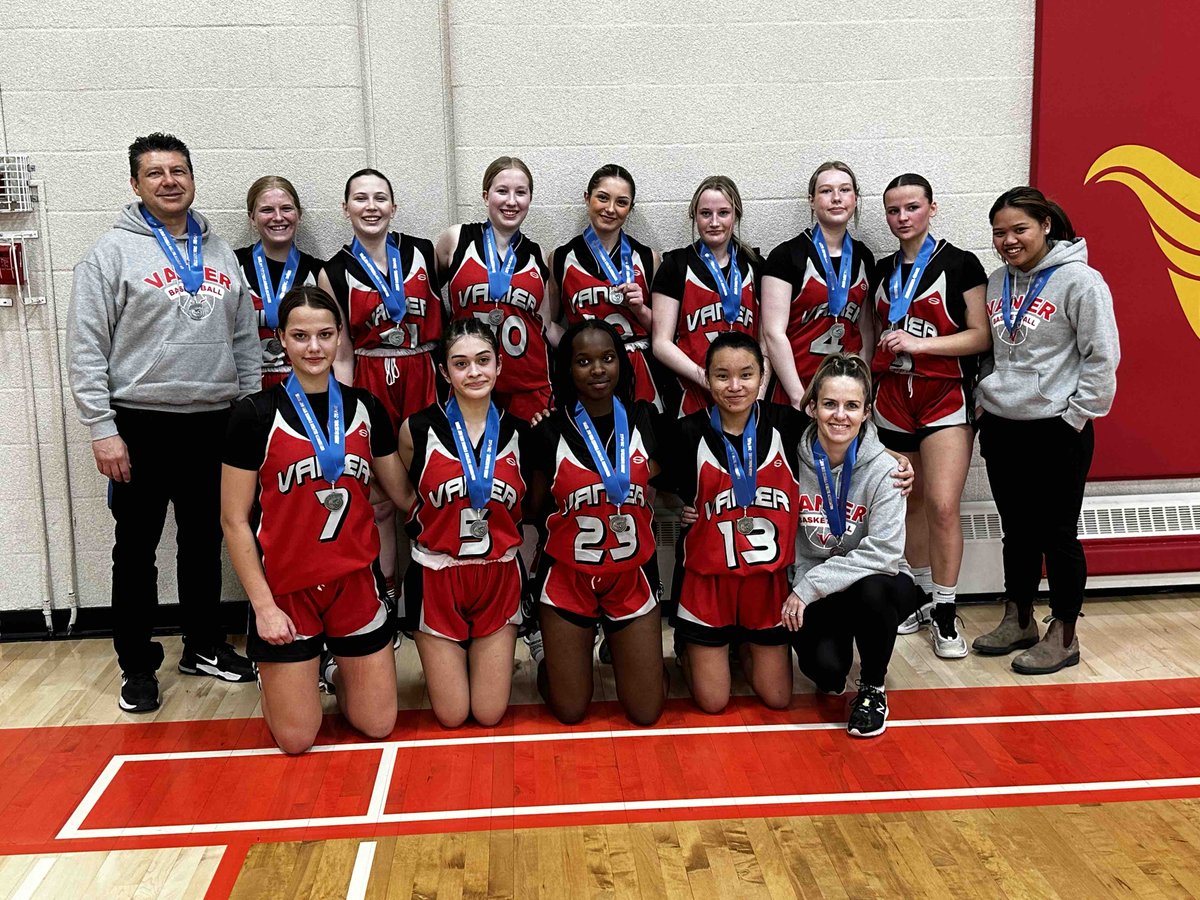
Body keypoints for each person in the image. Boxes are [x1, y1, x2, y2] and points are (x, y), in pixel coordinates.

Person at [67, 132, 259, 714]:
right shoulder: (110, 254)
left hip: (215, 422)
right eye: (155, 173)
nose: (169, 180)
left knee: (205, 542)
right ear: (135, 183)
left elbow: (245, 340)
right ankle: (136, 664)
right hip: (141, 423)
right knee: (137, 547)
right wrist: (102, 427)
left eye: (178, 170)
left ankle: (202, 645)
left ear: (193, 177)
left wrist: (249, 415)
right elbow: (85, 349)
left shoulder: (220, 250)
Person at [221, 286, 407, 754]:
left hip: (354, 584)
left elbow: (403, 494)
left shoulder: (366, 407)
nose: (314, 347)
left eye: (325, 334)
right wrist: (263, 608)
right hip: (287, 590)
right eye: (300, 335)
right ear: (281, 338)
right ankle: (286, 674)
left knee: (379, 724)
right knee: (297, 740)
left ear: (340, 336)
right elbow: (233, 521)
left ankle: (330, 667)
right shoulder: (253, 415)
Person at [973, 187, 1119, 674]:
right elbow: (993, 351)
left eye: (1019, 230)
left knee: (1057, 534)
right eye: (999, 233)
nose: (1008, 241)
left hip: (1058, 428)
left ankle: (1064, 632)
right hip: (1003, 425)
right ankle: (1018, 617)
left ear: (1046, 226)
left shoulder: (1081, 281)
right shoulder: (998, 282)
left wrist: (1076, 416)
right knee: (1016, 532)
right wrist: (984, 400)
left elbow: (1103, 356)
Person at [524, 320, 668, 725]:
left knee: (646, 711)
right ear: (567, 369)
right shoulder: (548, 430)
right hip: (567, 578)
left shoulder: (645, 418)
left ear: (622, 362)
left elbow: (663, 478)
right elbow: (533, 509)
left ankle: (635, 656)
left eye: (607, 358)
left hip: (631, 574)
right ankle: (546, 655)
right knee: (570, 710)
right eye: (583, 361)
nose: (598, 369)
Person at [870, 174, 990, 658]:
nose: (903, 218)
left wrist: (920, 345)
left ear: (932, 208)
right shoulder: (880, 270)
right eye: (894, 210)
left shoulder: (961, 263)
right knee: (907, 504)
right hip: (894, 396)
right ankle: (919, 596)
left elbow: (980, 335)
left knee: (942, 504)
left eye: (912, 207)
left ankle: (945, 610)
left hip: (944, 394)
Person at [784, 353, 926, 738]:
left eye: (851, 405)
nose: (839, 415)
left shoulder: (885, 470)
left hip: (870, 584)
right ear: (812, 407)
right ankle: (841, 644)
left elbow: (883, 553)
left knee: (876, 586)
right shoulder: (788, 460)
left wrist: (808, 587)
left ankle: (873, 688)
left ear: (866, 413)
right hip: (815, 584)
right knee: (828, 676)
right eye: (829, 403)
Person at [320, 168, 444, 604]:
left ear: (394, 206)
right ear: (346, 208)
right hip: (371, 379)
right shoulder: (332, 272)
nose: (371, 207)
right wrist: (344, 409)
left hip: (424, 371)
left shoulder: (425, 252)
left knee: (434, 483)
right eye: (360, 198)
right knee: (379, 498)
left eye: (379, 198)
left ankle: (435, 588)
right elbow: (342, 351)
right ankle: (385, 594)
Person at [398, 318, 528, 727]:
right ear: (444, 372)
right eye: (461, 363)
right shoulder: (415, 430)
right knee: (453, 716)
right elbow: (406, 498)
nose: (474, 372)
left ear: (499, 366)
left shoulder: (522, 432)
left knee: (489, 714)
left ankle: (511, 647)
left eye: (483, 361)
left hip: (498, 575)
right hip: (437, 576)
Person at [667, 332, 799, 713]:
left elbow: (844, 440)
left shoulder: (787, 425)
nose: (735, 386)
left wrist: (892, 456)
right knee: (713, 703)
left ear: (763, 376)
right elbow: (644, 475)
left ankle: (741, 642)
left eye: (747, 374)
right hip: (707, 583)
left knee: (777, 699)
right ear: (706, 378)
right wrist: (681, 505)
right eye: (722, 375)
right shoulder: (686, 432)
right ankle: (690, 649)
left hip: (767, 582)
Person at [436, 156, 556, 422]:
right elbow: (427, 296)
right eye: (502, 191)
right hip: (470, 381)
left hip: (527, 387)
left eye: (520, 193)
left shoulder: (538, 255)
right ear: (486, 195)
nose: (511, 201)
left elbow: (545, 325)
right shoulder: (456, 239)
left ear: (530, 199)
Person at [549, 164, 670, 411]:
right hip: (587, 370)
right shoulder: (560, 258)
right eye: (603, 198)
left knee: (642, 445)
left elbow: (663, 333)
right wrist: (575, 349)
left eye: (622, 202)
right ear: (587, 198)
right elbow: (548, 324)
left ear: (630, 209)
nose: (611, 209)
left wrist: (639, 309)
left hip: (639, 366)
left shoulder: (649, 258)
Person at [651, 175, 767, 417]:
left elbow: (766, 339)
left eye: (723, 213)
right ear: (695, 216)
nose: (714, 222)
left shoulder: (756, 266)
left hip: (745, 394)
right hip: (692, 393)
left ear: (736, 215)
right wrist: (707, 379)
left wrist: (760, 391)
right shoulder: (675, 265)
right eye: (706, 213)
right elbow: (661, 343)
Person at [762, 161, 876, 408]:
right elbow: (773, 333)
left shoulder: (864, 256)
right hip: (796, 389)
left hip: (845, 394)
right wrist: (798, 396)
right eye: (826, 191)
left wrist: (862, 384)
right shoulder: (785, 255)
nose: (836, 198)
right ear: (811, 200)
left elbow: (866, 330)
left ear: (856, 198)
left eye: (845, 190)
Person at [234, 176, 324, 389]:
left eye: (286, 208)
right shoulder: (232, 266)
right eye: (266, 210)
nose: (278, 217)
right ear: (252, 217)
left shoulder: (320, 272)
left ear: (298, 215)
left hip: (304, 385)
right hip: (247, 386)